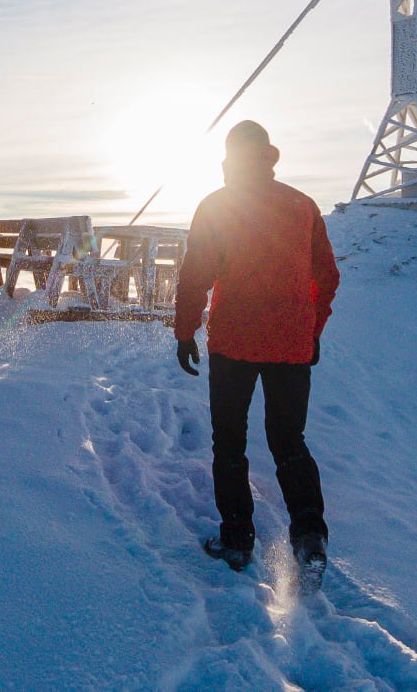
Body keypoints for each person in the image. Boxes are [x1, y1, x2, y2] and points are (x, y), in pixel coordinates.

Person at [174, 120, 340, 577]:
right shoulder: (302, 205)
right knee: (289, 440)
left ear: (230, 158)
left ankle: (236, 541)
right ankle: (310, 539)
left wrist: (185, 332)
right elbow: (327, 277)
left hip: (234, 343)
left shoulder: (217, 205)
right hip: (291, 345)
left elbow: (195, 276)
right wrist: (311, 330)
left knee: (229, 441)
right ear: (267, 155)